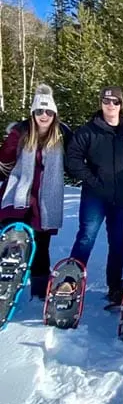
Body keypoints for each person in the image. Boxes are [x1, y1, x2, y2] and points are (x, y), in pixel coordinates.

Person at [66, 86, 123, 304]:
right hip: (95, 196)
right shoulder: (89, 130)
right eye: (106, 101)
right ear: (101, 103)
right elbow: (73, 159)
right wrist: (92, 179)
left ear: (121, 105)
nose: (110, 105)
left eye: (115, 102)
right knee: (86, 236)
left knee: (117, 241)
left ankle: (114, 286)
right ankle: (70, 281)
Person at [0, 85, 71, 299]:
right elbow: (4, 159)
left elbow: (77, 156)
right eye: (39, 111)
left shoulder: (62, 135)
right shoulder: (21, 132)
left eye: (48, 112)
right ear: (33, 113)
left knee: (41, 244)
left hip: (45, 200)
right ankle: (6, 283)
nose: (44, 116)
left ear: (54, 114)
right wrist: (13, 140)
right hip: (18, 194)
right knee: (12, 239)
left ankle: (39, 290)